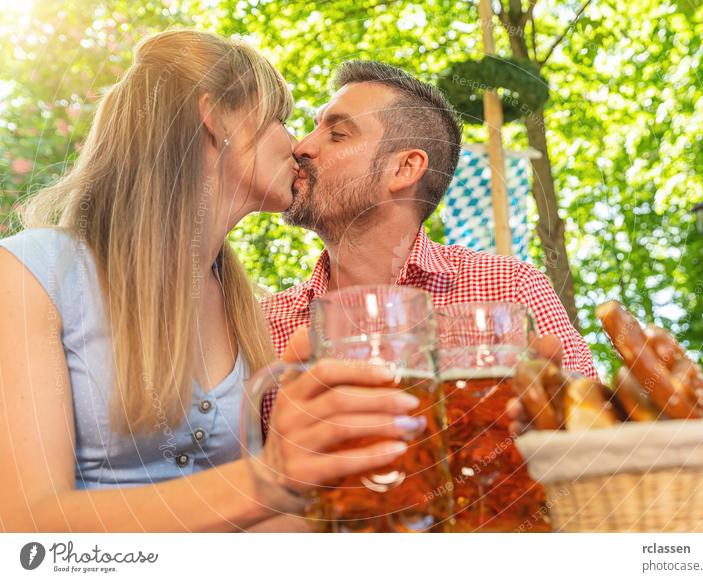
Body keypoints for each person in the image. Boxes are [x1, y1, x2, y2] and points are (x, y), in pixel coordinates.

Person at [0, 30, 422, 532]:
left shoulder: (247, 307)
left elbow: (256, 528)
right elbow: (25, 527)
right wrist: (274, 477)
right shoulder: (33, 272)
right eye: (280, 121)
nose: (299, 146)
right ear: (216, 117)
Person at [262, 60, 598, 430]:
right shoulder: (264, 324)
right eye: (312, 128)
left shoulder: (510, 289)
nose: (302, 147)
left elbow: (593, 439)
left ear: (405, 169)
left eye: (338, 134)